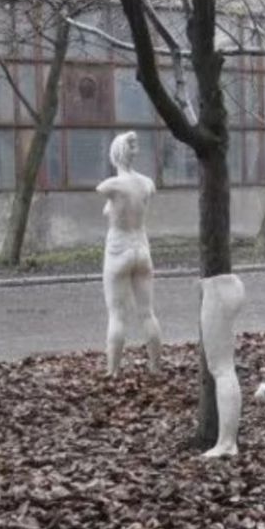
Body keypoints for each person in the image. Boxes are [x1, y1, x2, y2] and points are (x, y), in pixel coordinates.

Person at [95, 132, 162, 376]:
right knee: (147, 312)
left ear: (115, 153)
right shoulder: (146, 184)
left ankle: (113, 370)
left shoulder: (111, 186)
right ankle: (155, 366)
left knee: (117, 314)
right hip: (141, 249)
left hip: (118, 250)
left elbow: (101, 190)